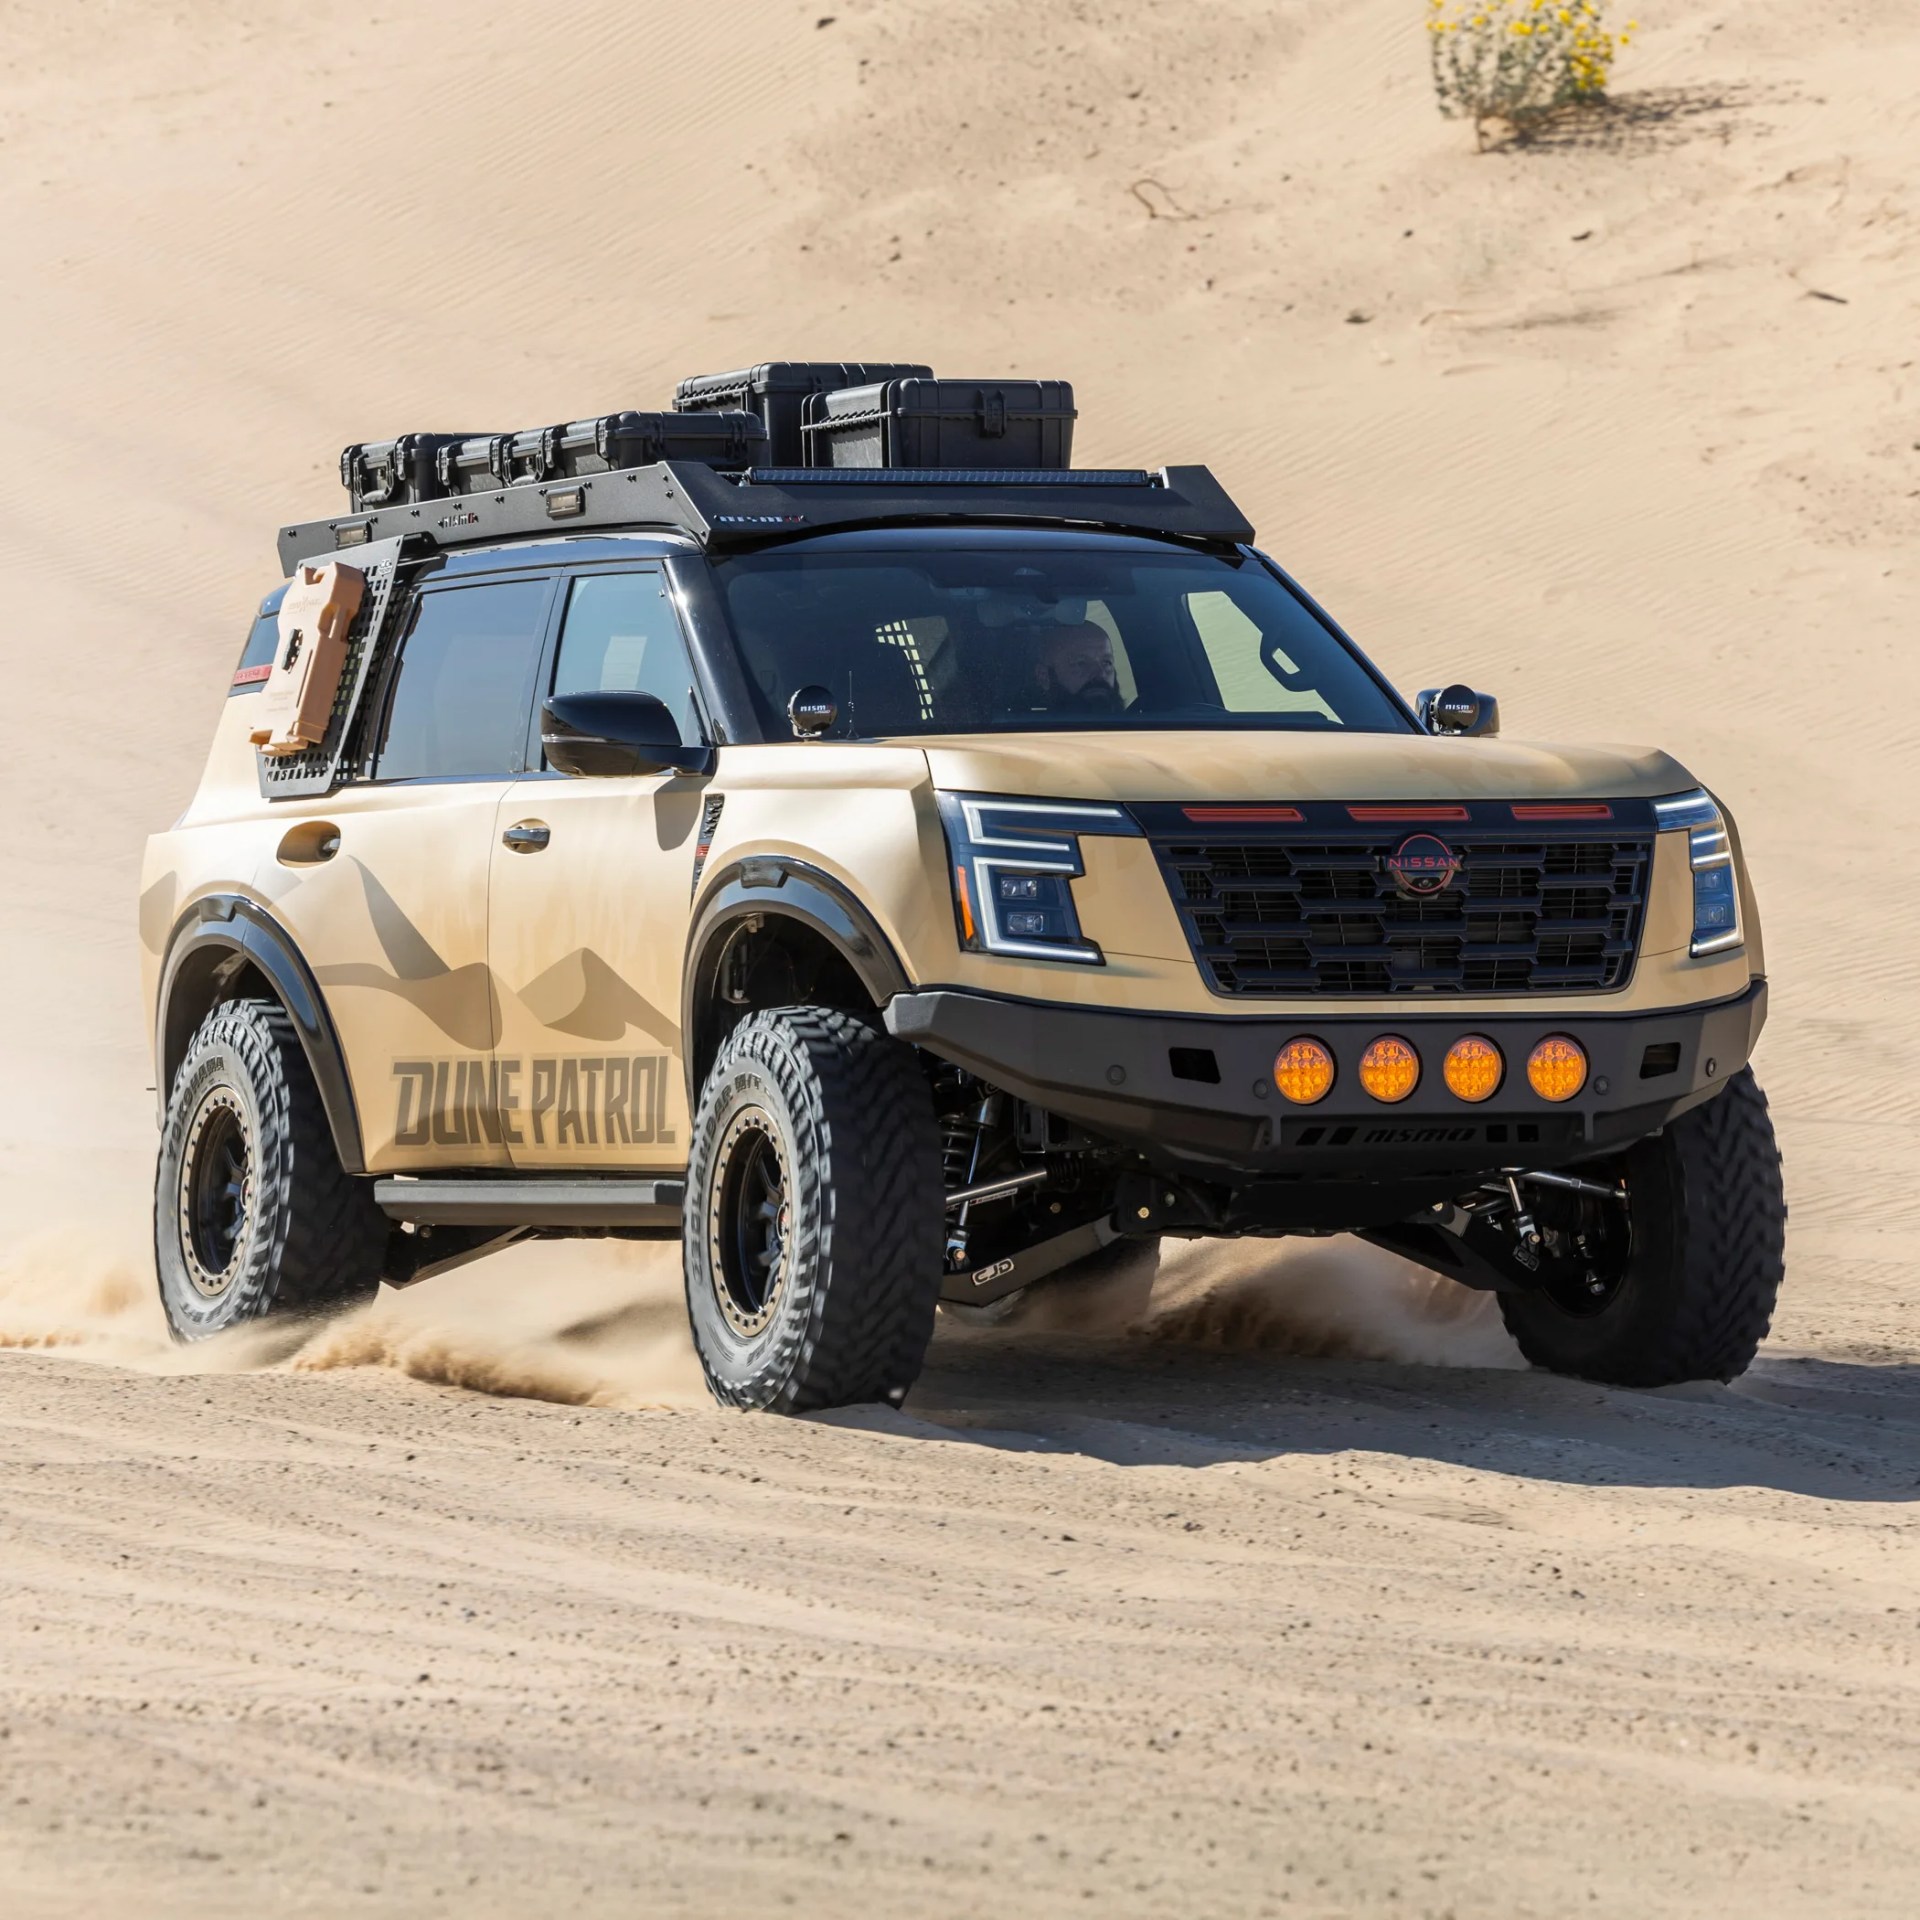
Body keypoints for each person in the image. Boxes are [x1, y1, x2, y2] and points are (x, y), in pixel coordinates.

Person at [1030, 619, 1124, 716]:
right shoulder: (1024, 730)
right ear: (1044, 676)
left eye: (1106, 662)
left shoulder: (1137, 725)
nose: (1100, 673)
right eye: (1081, 663)